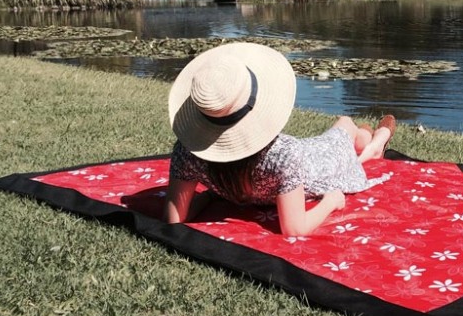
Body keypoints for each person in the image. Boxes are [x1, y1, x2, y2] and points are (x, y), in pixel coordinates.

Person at [164, 42, 395, 236]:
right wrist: (331, 201)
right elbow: (294, 229)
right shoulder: (282, 154)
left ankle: (368, 139)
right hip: (317, 167)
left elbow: (175, 218)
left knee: (344, 130)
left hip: (293, 167)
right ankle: (374, 143)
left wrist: (209, 196)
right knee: (345, 124)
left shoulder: (187, 152)